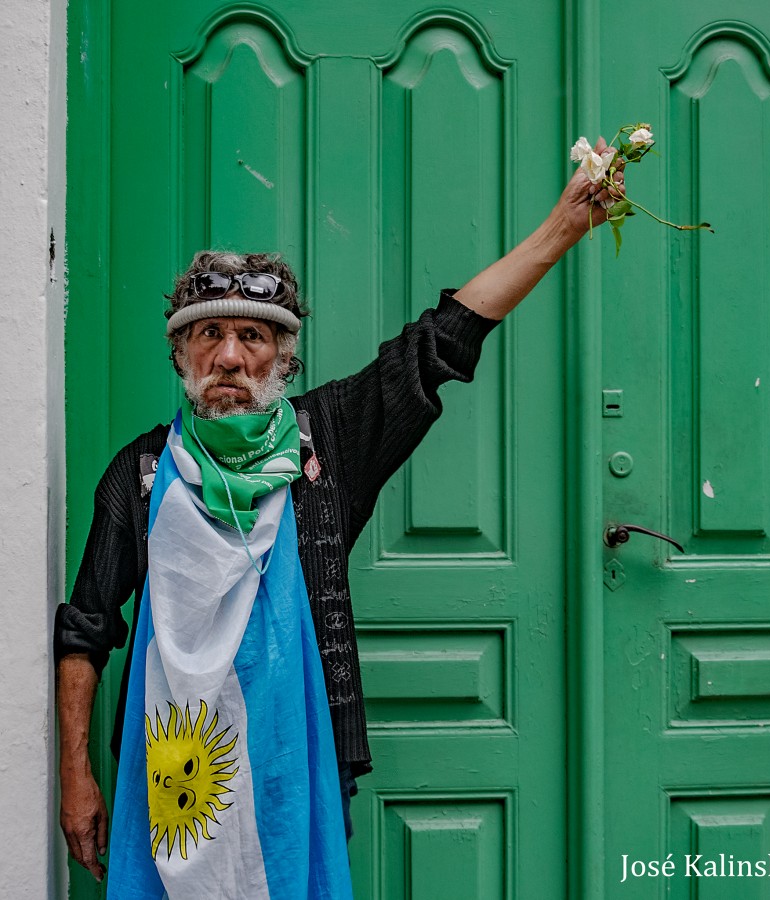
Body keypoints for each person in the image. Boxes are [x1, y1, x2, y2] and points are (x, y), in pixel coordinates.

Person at [55, 139, 621, 895]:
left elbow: (440, 342)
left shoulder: (331, 442)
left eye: (251, 335)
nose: (228, 355)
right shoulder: (141, 474)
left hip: (298, 771)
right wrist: (76, 777)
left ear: (283, 359)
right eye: (207, 334)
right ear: (181, 356)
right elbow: (87, 628)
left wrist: (564, 226)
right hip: (172, 784)